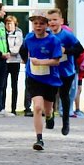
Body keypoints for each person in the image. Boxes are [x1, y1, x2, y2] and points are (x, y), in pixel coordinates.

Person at [22, 10, 62, 151]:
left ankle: (50, 116)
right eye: (35, 23)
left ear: (47, 25)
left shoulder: (53, 41)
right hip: (33, 77)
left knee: (47, 109)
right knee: (37, 107)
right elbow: (24, 51)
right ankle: (39, 139)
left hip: (50, 79)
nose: (38, 26)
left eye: (41, 23)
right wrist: (27, 62)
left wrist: (41, 62)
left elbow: (57, 61)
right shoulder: (28, 38)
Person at [46, 8, 83, 135]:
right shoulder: (45, 34)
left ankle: (65, 123)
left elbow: (80, 49)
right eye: (50, 20)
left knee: (64, 96)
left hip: (66, 71)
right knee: (49, 96)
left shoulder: (67, 35)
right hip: (50, 70)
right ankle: (49, 117)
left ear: (61, 21)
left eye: (55, 20)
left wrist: (65, 51)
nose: (52, 23)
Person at [5, 15, 24, 115]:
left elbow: (18, 47)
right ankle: (2, 108)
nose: (8, 25)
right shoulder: (3, 33)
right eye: (7, 23)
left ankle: (13, 109)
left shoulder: (18, 33)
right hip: (4, 61)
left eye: (10, 23)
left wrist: (9, 52)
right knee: (3, 85)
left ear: (14, 24)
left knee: (14, 85)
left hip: (15, 61)